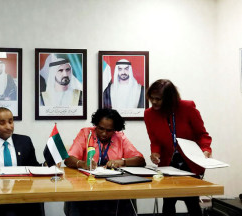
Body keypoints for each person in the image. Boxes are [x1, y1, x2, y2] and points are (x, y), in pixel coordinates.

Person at [144, 79, 212, 216]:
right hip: (168, 163)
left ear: (170, 99)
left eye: (158, 99)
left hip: (190, 162)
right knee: (168, 201)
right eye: (152, 98)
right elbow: (155, 140)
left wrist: (206, 150)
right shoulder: (149, 114)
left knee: (192, 200)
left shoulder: (187, 108)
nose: (154, 102)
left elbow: (202, 134)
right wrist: (155, 153)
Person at [64, 108, 145, 216]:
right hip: (86, 188)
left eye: (109, 130)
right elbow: (68, 159)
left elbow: (140, 160)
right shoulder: (86, 133)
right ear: (96, 125)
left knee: (127, 198)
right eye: (101, 128)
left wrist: (122, 162)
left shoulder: (120, 137)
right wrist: (82, 163)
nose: (104, 133)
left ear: (115, 129)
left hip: (114, 188)